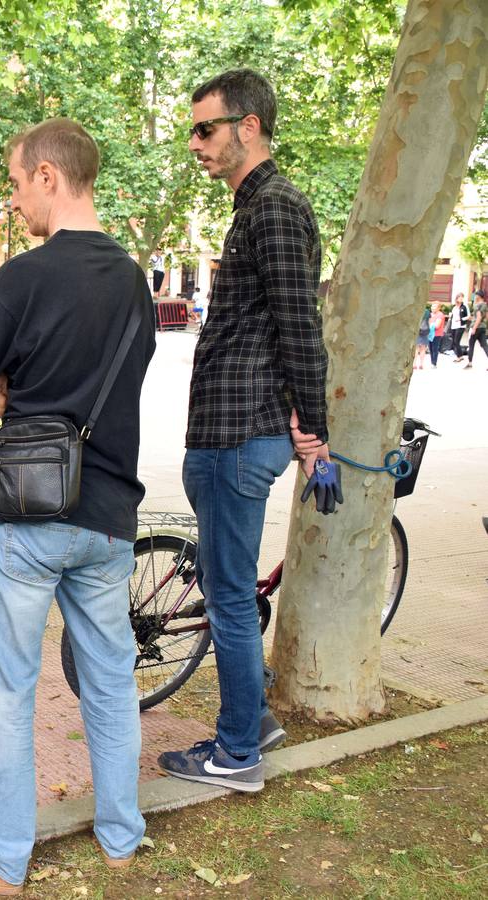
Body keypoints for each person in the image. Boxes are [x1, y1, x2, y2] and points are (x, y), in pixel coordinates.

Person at [0, 118, 156, 894]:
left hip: (29, 509)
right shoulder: (133, 281)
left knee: (9, 686)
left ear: (50, 176)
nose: (14, 198)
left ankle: (1, 854)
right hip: (107, 513)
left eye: (18, 182)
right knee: (110, 680)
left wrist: (4, 396)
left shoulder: (24, 277)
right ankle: (122, 835)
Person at [158, 69, 331, 793]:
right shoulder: (254, 208)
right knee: (229, 590)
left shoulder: (274, 208)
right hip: (229, 431)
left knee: (228, 596)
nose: (194, 142)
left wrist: (314, 427)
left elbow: (300, 325)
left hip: (240, 435)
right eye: (192, 129)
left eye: (205, 128)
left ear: (247, 127)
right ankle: (253, 721)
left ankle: (236, 756)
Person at [464, 290, 487, 369]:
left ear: (478, 296)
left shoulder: (477, 305)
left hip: (476, 327)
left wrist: (474, 328)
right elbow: (486, 317)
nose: (474, 296)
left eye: (475, 295)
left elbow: (479, 317)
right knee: (484, 345)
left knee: (471, 345)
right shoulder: (485, 305)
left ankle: (470, 363)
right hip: (483, 327)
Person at [448, 292, 468, 361]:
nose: (461, 299)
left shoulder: (465, 306)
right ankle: (460, 356)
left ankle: (459, 357)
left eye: (462, 297)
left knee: (457, 341)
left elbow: (468, 316)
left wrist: (460, 319)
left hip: (460, 326)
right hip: (453, 326)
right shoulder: (454, 307)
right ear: (456, 299)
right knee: (454, 341)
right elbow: (452, 316)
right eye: (460, 297)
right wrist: (450, 316)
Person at [427, 300, 446, 368]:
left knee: (435, 349)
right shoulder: (430, 314)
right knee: (430, 348)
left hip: (437, 334)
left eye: (435, 306)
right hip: (430, 334)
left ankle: (434, 363)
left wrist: (429, 324)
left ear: (438, 308)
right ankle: (432, 362)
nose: (433, 308)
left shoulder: (440, 315)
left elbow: (437, 325)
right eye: (432, 306)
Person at [413, 305, 430, 371]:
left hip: (417, 331)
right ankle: (421, 364)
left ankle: (414, 364)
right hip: (425, 331)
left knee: (416, 349)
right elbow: (429, 322)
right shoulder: (427, 312)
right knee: (423, 348)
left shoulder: (416, 311)